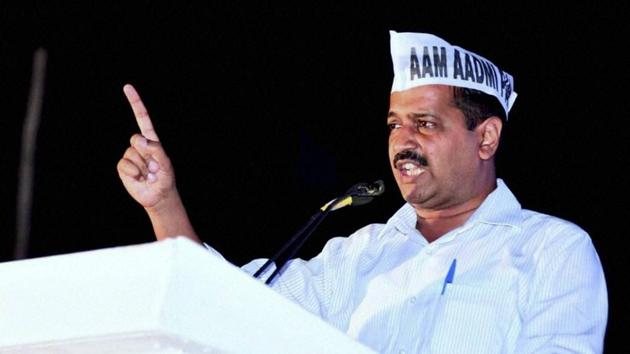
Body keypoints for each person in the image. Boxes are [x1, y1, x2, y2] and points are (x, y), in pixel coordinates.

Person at [117, 31, 607, 353]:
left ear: (486, 138)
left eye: (426, 124)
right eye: (395, 124)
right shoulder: (358, 255)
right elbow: (226, 308)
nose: (403, 142)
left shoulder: (551, 250)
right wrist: (164, 205)